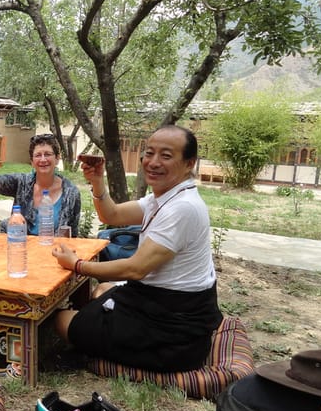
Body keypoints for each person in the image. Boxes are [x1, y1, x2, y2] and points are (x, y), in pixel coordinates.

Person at [51, 125, 222, 372]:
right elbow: (113, 214)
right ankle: (100, 328)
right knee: (101, 290)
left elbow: (136, 269)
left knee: (60, 320)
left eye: (166, 155)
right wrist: (98, 181)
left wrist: (77, 265)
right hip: (157, 302)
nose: (153, 162)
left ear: (189, 163)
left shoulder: (182, 208)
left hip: (174, 330)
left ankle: (96, 341)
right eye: (149, 153)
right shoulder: (163, 197)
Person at [0, 133, 81, 237]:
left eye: (48, 154)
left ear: (57, 158)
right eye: (38, 155)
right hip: (19, 247)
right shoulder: (21, 183)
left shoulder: (71, 193)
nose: (43, 159)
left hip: (53, 250)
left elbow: (73, 235)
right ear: (32, 161)